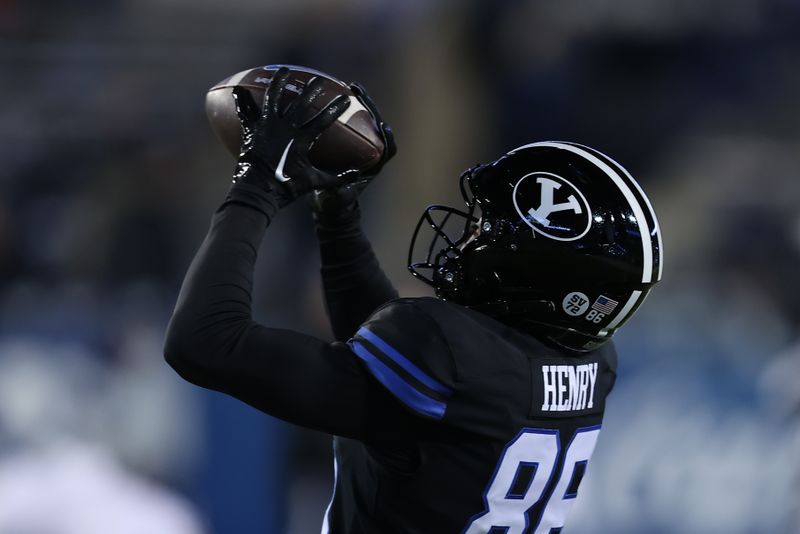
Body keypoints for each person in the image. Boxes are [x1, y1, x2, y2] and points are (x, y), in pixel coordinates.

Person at [164, 66, 663, 533]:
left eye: (483, 229)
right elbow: (389, 354)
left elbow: (204, 342)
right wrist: (337, 213)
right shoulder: (592, 361)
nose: (465, 240)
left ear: (534, 270)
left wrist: (256, 184)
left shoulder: (448, 354)